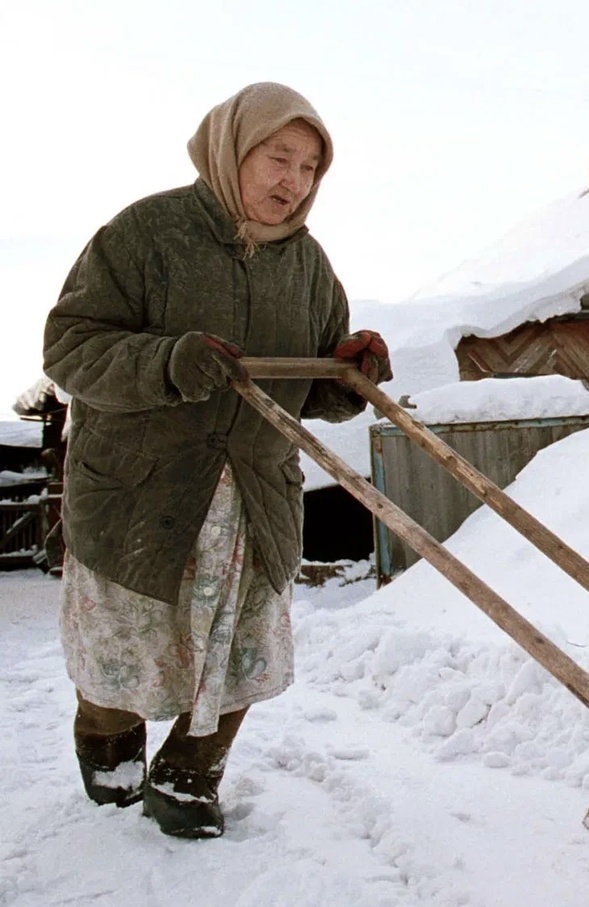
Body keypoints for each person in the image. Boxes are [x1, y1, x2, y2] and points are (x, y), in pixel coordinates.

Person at [42, 82, 391, 839]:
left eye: (309, 166)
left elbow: (307, 391)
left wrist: (348, 372)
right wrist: (167, 361)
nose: (292, 181)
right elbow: (70, 347)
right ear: (232, 149)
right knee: (125, 647)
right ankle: (107, 737)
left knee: (243, 646)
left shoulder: (308, 267)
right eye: (278, 157)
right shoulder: (144, 235)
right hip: (143, 495)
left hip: (252, 500)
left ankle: (190, 774)